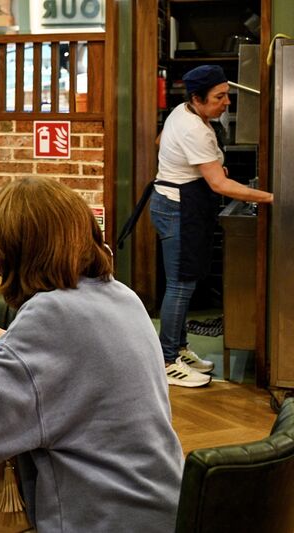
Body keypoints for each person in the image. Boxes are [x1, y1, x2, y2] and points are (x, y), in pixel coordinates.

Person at [0, 177, 184, 533]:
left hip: (98, 520)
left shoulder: (51, 314)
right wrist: (8, 340)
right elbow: (82, 365)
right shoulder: (121, 296)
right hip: (155, 511)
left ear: (12, 252)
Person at [151, 64, 273, 387]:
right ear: (197, 98)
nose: (227, 102)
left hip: (174, 203)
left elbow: (159, 140)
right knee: (180, 284)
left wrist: (195, 161)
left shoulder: (183, 112)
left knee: (185, 281)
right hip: (177, 209)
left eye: (227, 94)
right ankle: (166, 360)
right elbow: (219, 184)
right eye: (220, 97)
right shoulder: (194, 129)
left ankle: (178, 348)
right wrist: (272, 197)